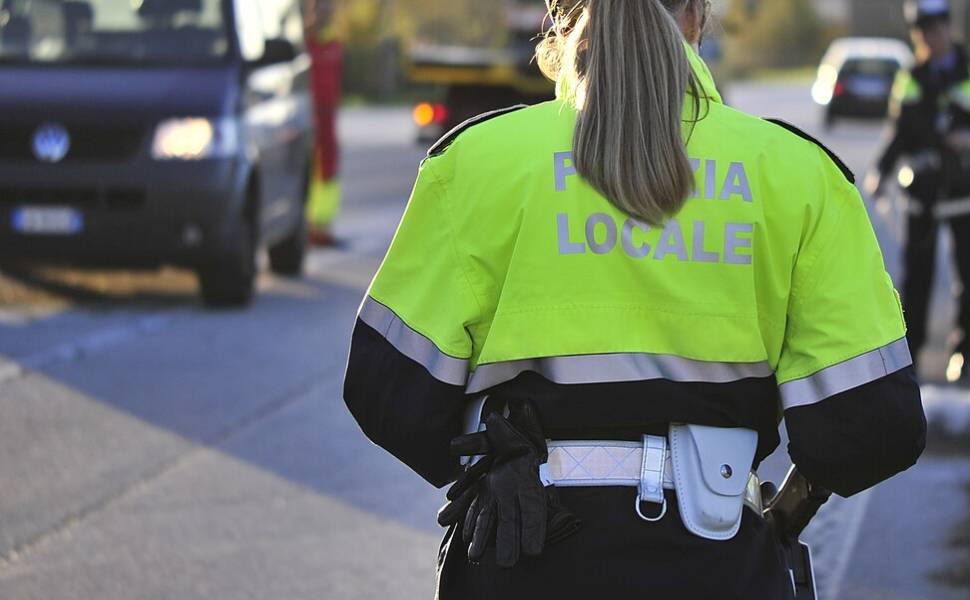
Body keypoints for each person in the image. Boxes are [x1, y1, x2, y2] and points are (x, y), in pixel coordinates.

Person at [344, 1, 926, 598]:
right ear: (697, 15)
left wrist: (486, 461)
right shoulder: (800, 176)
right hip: (718, 564)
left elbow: (386, 393)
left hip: (524, 562)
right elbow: (874, 425)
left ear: (560, 22)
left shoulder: (474, 163)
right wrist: (783, 511)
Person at [870, 0, 970, 378]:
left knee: (968, 276)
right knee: (917, 278)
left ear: (949, 27)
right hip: (923, 193)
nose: (933, 36)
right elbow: (898, 132)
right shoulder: (911, 76)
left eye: (938, 27)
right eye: (924, 31)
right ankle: (910, 357)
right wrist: (880, 171)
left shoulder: (966, 69)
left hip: (963, 191)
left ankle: (963, 353)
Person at [304, 0, 343, 246]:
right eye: (320, 8)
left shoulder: (335, 44)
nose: (324, 14)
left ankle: (323, 225)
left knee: (328, 168)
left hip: (328, 116)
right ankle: (305, 225)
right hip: (306, 116)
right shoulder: (303, 43)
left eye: (328, 9)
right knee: (305, 169)